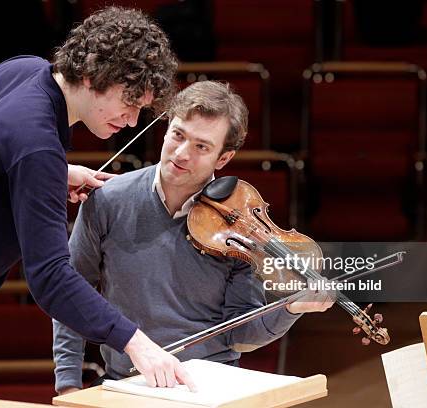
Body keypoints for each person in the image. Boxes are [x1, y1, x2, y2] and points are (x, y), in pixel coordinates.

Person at [0, 6, 196, 398]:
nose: (133, 120)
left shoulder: (23, 69)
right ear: (91, 75)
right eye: (130, 102)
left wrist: (53, 174)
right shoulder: (36, 148)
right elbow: (49, 278)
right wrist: (137, 344)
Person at [53, 81, 335, 394]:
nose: (182, 153)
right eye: (178, 135)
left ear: (223, 158)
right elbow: (70, 295)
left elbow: (240, 334)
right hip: (128, 384)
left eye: (201, 146)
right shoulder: (108, 201)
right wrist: (67, 384)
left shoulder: (239, 228)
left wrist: (291, 309)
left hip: (209, 387)